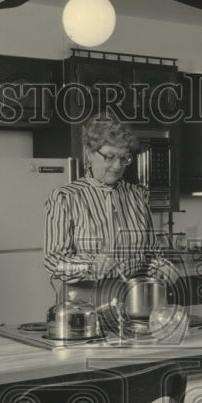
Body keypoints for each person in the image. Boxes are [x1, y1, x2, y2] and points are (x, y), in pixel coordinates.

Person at [43, 113, 156, 297]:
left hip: (133, 298)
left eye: (124, 158)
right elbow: (53, 263)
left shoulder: (138, 195)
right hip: (83, 302)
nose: (117, 166)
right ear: (89, 154)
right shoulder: (65, 197)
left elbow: (152, 253)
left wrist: (161, 267)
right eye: (110, 157)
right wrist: (90, 264)